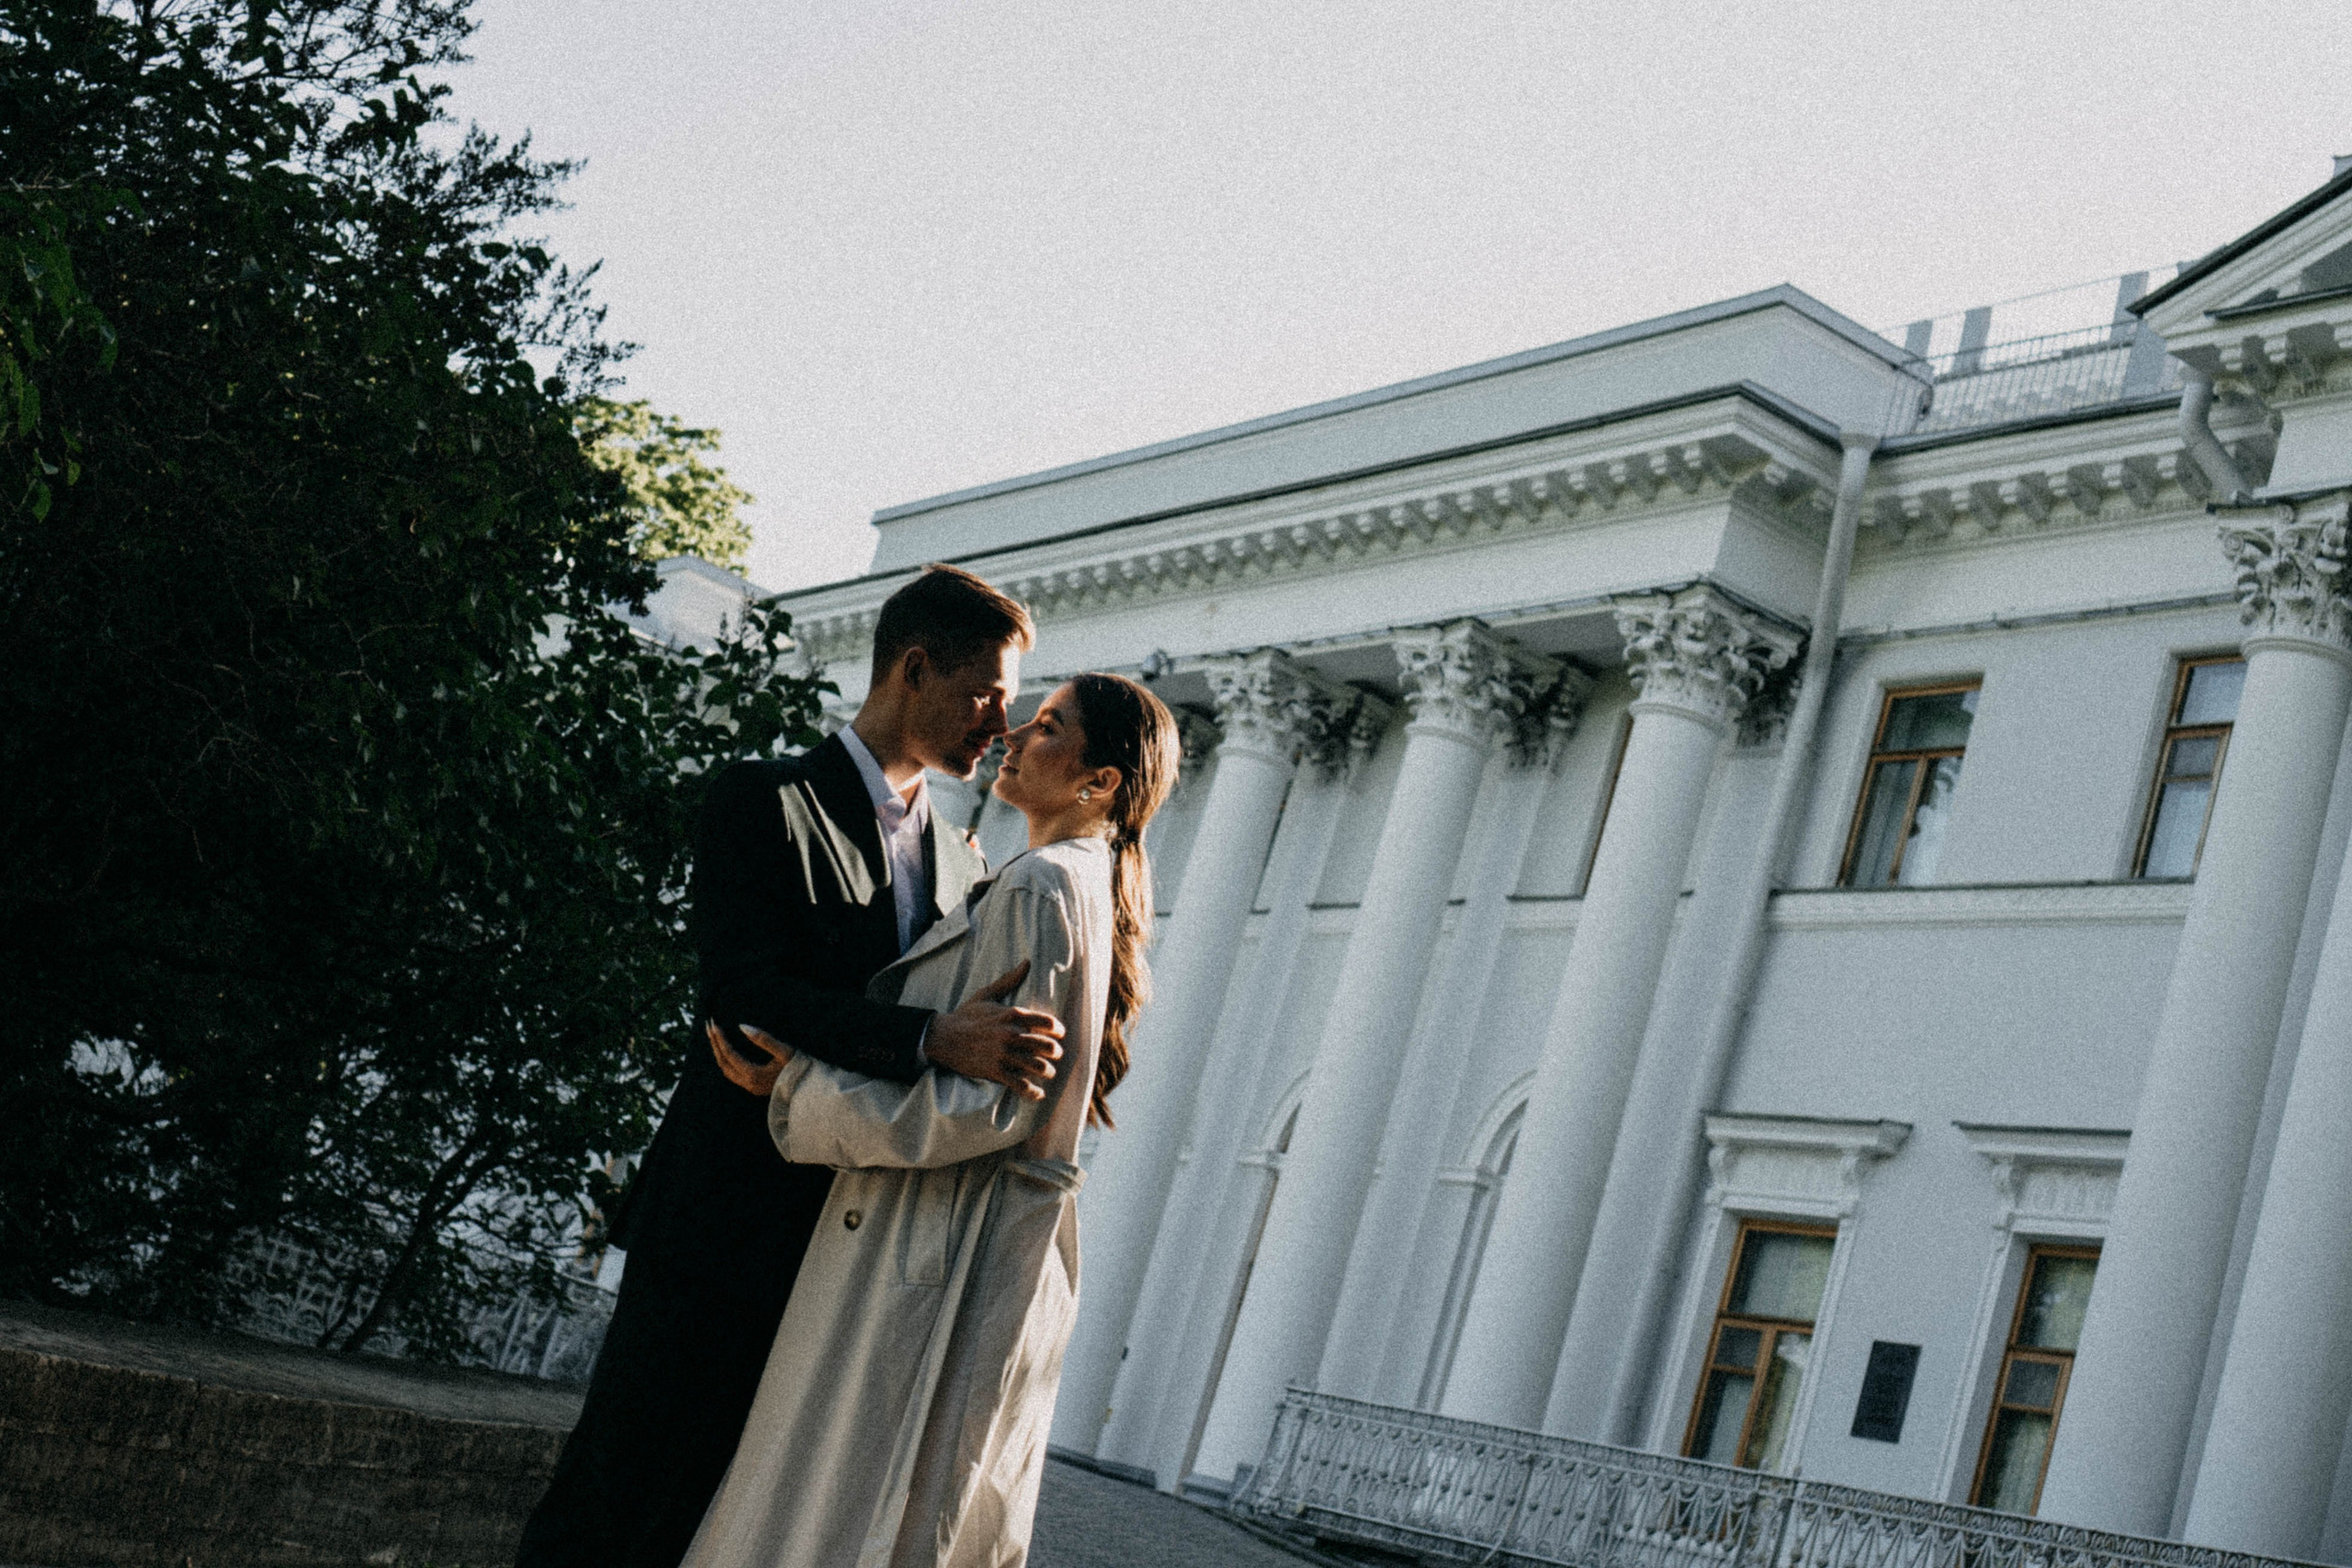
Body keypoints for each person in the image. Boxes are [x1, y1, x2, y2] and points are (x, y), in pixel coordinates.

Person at [518, 565, 1070, 1568]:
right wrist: (928, 1041)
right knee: (620, 1496)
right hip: (719, 1226)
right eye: (988, 692)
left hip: (849, 1253)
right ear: (914, 668)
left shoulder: (965, 865)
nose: (1004, 719)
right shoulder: (760, 800)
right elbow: (744, 995)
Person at [682, 672, 1180, 1568]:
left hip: (938, 1251)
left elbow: (988, 1103)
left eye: (1048, 726)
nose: (1018, 734)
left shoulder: (1041, 886)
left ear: (1096, 782)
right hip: (964, 1246)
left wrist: (800, 1090)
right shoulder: (1075, 884)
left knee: (846, 1523)